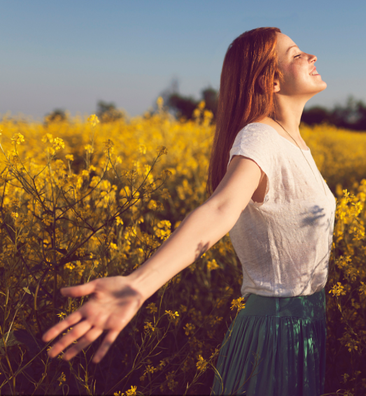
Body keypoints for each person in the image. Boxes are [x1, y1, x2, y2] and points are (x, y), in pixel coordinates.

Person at [41, 27, 335, 396]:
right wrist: (138, 285)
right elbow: (220, 209)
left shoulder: (291, 141)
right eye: (296, 54)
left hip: (306, 323)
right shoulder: (260, 137)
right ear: (271, 81)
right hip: (273, 331)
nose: (312, 57)